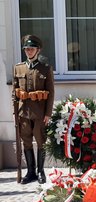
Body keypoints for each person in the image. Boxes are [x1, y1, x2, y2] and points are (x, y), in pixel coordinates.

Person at [12, 35, 55, 184]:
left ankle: (40, 171)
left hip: (40, 113)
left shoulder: (45, 68)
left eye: (31, 49)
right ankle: (30, 172)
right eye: (26, 49)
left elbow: (50, 93)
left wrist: (48, 114)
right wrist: (15, 113)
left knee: (41, 141)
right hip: (23, 112)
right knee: (26, 142)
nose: (29, 51)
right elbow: (15, 92)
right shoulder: (18, 68)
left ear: (38, 50)